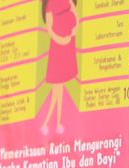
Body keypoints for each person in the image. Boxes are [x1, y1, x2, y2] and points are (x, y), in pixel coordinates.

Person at [41, 0, 81, 135]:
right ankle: (48, 123)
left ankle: (56, 123)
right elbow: (50, 29)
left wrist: (74, 31)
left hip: (68, 46)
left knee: (60, 88)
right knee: (57, 88)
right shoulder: (50, 5)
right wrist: (61, 40)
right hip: (58, 48)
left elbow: (76, 16)